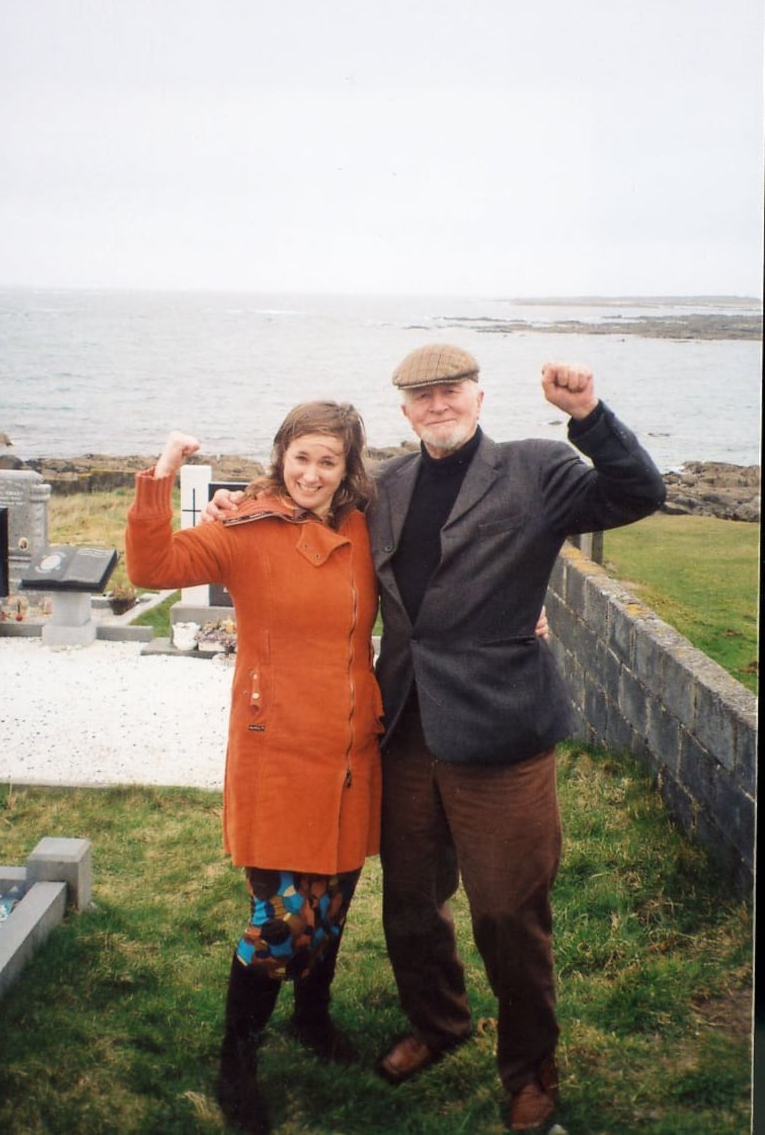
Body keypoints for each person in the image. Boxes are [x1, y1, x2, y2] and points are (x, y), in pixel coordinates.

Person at [205, 348, 666, 1133]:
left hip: (502, 728)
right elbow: (304, 509)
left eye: (449, 390)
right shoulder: (384, 487)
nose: (437, 403)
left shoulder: (537, 467)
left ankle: (530, 1069)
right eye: (421, 395)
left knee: (506, 911)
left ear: (478, 396)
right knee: (412, 903)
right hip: (408, 722)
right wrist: (236, 506)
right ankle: (440, 1023)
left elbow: (635, 491)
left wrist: (587, 416)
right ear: (406, 410)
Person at [125, 401, 385, 1135]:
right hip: (279, 752)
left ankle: (312, 1017)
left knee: (330, 908)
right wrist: (164, 475)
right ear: (281, 456)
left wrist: (521, 614)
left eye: (327, 461)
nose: (311, 473)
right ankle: (235, 1061)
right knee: (280, 923)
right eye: (300, 457)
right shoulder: (244, 528)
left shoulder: (366, 527)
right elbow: (151, 567)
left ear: (347, 468)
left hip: (352, 749)